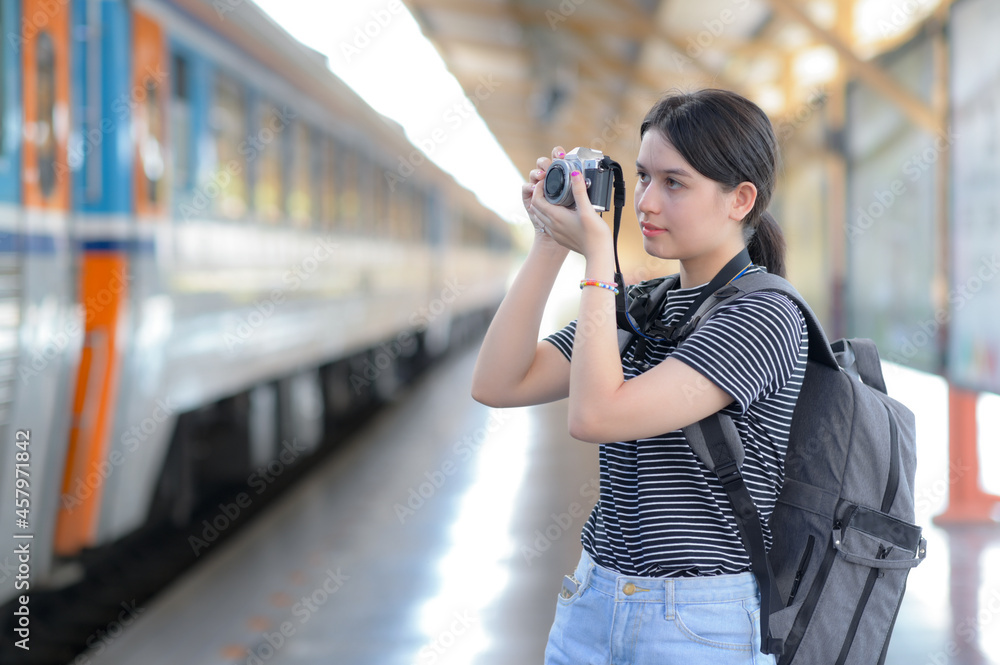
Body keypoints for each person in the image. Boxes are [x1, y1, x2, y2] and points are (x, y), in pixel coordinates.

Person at [471, 88, 809, 664]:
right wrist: (550, 243)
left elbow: (597, 415)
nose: (647, 202)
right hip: (592, 598)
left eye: (674, 183)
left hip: (697, 622)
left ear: (740, 199)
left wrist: (599, 263)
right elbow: (500, 383)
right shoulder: (644, 308)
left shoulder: (764, 316)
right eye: (643, 178)